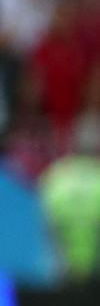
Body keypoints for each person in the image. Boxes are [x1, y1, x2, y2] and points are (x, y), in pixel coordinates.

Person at [40, 118, 100, 283]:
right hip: (95, 271)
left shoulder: (54, 176)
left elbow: (48, 228)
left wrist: (61, 261)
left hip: (64, 268)